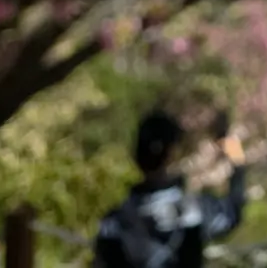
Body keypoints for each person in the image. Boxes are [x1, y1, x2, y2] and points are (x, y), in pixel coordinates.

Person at [93, 110, 246, 268]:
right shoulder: (195, 211)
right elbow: (233, 210)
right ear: (172, 155)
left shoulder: (113, 223)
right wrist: (233, 147)